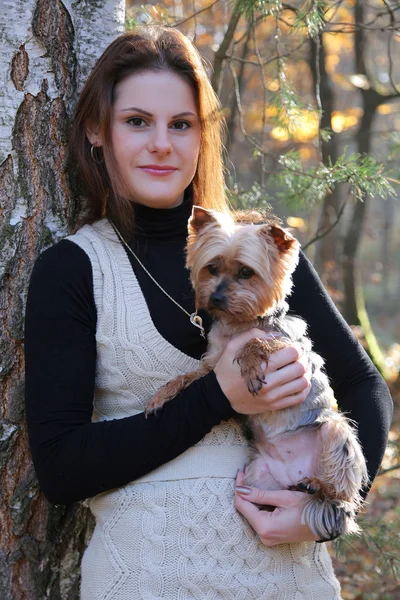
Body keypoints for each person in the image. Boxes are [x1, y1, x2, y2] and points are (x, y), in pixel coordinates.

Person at [24, 26, 392, 600]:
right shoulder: (73, 270)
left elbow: (363, 383)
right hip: (145, 579)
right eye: (137, 121)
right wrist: (217, 396)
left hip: (287, 578)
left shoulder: (259, 251)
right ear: (97, 130)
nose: (162, 144)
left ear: (202, 136)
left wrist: (331, 510)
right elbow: (60, 467)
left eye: (182, 124)